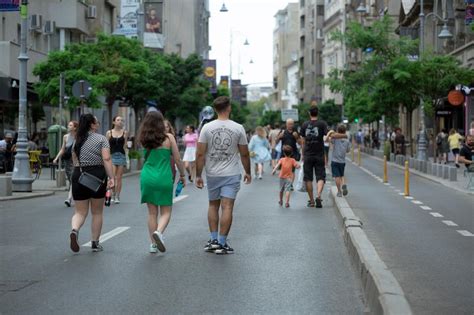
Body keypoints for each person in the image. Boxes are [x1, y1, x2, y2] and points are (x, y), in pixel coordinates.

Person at [195, 96, 251, 255]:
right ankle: (222, 242)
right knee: (227, 207)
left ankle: (213, 240)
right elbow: (245, 154)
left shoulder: (206, 128)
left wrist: (198, 175)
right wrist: (248, 172)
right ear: (229, 108)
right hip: (231, 173)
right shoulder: (238, 128)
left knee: (213, 205)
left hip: (212, 173)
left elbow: (200, 154)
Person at [139, 111, 186, 254]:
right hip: (164, 177)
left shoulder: (143, 139)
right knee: (166, 212)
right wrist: (183, 175)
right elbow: (177, 159)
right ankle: (159, 232)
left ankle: (153, 245)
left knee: (152, 213)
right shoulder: (169, 138)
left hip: (147, 177)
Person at [69, 114, 114, 253]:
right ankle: (95, 243)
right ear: (92, 125)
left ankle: (75, 230)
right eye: (97, 122)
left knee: (80, 212)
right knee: (97, 212)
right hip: (97, 176)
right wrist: (112, 177)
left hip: (79, 175)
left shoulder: (77, 140)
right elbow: (106, 158)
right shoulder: (101, 139)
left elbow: (74, 159)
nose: (98, 124)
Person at [300, 106, 346, 208]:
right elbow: (332, 135)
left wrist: (303, 154)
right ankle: (319, 196)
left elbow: (302, 141)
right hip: (319, 154)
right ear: (318, 113)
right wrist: (343, 135)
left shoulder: (304, 124)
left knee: (308, 178)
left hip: (308, 154)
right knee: (320, 176)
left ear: (309, 113)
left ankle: (312, 201)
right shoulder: (322, 124)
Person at [53, 121, 78, 207]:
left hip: (76, 161)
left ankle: (69, 198)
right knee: (71, 180)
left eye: (70, 125)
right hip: (67, 161)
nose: (68, 126)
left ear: (75, 127)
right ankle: (75, 196)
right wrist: (56, 158)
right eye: (69, 125)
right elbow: (62, 149)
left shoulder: (78, 137)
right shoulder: (65, 137)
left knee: (73, 179)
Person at [106, 116, 128, 204]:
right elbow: (106, 146)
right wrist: (106, 157)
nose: (120, 122)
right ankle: (113, 193)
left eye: (121, 120)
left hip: (121, 155)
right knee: (112, 177)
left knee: (119, 178)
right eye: (118, 120)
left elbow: (125, 146)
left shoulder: (125, 133)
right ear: (114, 122)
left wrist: (127, 158)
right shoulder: (109, 133)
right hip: (112, 156)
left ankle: (117, 196)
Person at [327, 125, 351, 197]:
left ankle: (339, 191)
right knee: (342, 175)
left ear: (338, 131)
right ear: (344, 131)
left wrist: (331, 133)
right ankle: (343, 184)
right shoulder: (347, 140)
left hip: (335, 160)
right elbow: (348, 150)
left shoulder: (335, 139)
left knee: (336, 176)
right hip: (342, 161)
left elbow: (329, 139)